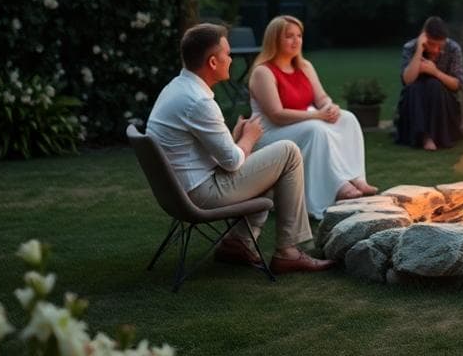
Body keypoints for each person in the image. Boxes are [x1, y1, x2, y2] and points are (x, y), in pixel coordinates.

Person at [146, 23, 334, 273]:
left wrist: (235, 138)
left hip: (178, 190)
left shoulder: (176, 88)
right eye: (227, 54)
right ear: (213, 62)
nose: (231, 60)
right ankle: (287, 251)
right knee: (288, 152)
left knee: (270, 166)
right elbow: (233, 162)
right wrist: (249, 136)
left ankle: (238, 243)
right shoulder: (199, 101)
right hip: (200, 194)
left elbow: (206, 152)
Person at [247, 15, 377, 219]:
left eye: (299, 35)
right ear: (274, 39)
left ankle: (355, 177)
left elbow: (321, 97)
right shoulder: (263, 72)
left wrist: (330, 107)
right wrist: (318, 115)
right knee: (315, 129)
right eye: (289, 36)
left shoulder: (304, 66)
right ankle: (337, 186)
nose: (296, 40)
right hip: (269, 131)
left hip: (301, 121)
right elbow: (276, 114)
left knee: (348, 118)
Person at [394, 16, 463, 151]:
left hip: (443, 103)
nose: (436, 50)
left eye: (440, 46)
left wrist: (435, 72)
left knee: (434, 84)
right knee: (414, 87)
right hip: (414, 102)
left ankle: (434, 135)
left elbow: (457, 85)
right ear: (423, 37)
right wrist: (419, 51)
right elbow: (407, 80)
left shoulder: (453, 49)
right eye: (432, 44)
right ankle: (425, 137)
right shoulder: (410, 47)